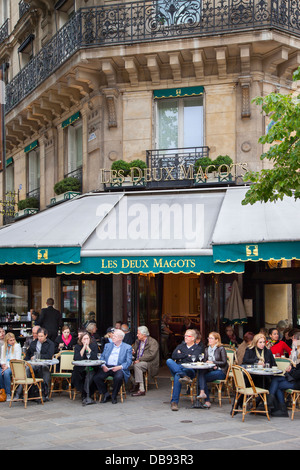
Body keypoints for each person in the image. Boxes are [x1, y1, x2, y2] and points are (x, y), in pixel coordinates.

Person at [166, 329, 204, 411]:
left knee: (177, 376)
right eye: (185, 335)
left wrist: (182, 355)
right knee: (169, 361)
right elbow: (174, 355)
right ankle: (183, 375)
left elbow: (195, 358)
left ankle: (174, 402)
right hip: (180, 368)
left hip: (189, 370)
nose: (185, 337)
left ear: (193, 338)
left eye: (188, 336)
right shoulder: (180, 346)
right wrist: (188, 355)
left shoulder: (198, 348)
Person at [93, 329, 132, 404]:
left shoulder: (127, 347)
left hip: (119, 367)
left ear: (120, 338)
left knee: (118, 377)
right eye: (113, 335)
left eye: (115, 336)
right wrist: (103, 365)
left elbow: (128, 362)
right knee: (96, 377)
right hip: (107, 366)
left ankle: (114, 395)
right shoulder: (108, 345)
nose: (112, 337)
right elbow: (102, 357)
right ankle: (106, 394)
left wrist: (119, 367)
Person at [268, 331, 300, 417]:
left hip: (297, 382)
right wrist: (291, 367)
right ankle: (274, 404)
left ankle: (280, 408)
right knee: (275, 379)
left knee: (277, 385)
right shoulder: (297, 352)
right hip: (294, 378)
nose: (292, 341)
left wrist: (290, 372)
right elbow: (296, 367)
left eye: (293, 339)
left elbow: (297, 374)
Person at [197, 332, 228, 409]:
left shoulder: (221, 349)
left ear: (217, 340)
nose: (209, 340)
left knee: (201, 378)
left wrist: (214, 363)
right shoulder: (206, 349)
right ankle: (203, 394)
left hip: (221, 371)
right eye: (208, 338)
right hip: (211, 370)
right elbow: (205, 361)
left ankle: (206, 399)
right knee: (201, 373)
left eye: (211, 338)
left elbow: (224, 362)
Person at [24, 327, 55, 400]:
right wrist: (25, 361)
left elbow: (49, 356)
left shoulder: (50, 344)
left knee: (45, 370)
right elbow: (28, 354)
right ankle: (27, 392)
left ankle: (45, 394)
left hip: (44, 364)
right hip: (34, 364)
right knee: (27, 369)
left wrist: (37, 357)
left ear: (45, 335)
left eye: (41, 336)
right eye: (38, 336)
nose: (39, 338)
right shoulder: (33, 343)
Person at [131, 326, 159, 396]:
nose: (137, 335)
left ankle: (141, 389)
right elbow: (133, 349)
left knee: (137, 366)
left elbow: (151, 355)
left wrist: (140, 360)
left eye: (138, 334)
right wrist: (132, 350)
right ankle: (134, 382)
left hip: (149, 363)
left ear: (144, 335)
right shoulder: (138, 341)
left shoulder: (153, 342)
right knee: (125, 366)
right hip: (138, 360)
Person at [71, 332, 98, 405]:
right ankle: (85, 394)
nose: (86, 340)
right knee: (77, 374)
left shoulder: (93, 346)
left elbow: (94, 358)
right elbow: (76, 358)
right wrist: (83, 347)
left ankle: (85, 395)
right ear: (81, 340)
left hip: (91, 367)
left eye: (87, 339)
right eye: (84, 339)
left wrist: (88, 348)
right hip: (80, 367)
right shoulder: (77, 346)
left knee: (90, 374)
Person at [0, 333, 22, 401]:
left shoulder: (17, 346)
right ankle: (2, 392)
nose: (12, 342)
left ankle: (8, 393)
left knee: (6, 373)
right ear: (7, 341)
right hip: (6, 366)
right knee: (0, 373)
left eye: (13, 340)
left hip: (15, 366)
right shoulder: (4, 347)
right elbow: (2, 359)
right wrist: (3, 364)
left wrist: (7, 366)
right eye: (10, 340)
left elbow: (17, 360)